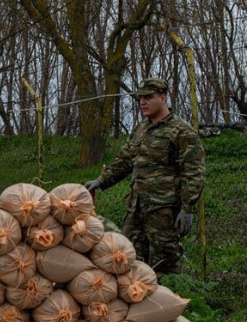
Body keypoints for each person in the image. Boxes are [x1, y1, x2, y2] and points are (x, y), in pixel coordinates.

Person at [84, 78, 205, 275]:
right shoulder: (141, 128)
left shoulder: (181, 132)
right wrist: (101, 181)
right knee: (127, 257)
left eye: (148, 97)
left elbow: (193, 172)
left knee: (164, 263)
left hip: (164, 210)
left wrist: (187, 208)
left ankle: (170, 302)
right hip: (137, 208)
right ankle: (136, 300)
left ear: (163, 98)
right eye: (140, 98)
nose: (142, 102)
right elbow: (125, 160)